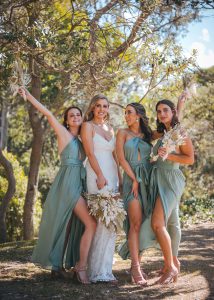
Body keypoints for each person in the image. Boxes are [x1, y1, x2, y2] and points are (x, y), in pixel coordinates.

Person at [18, 87, 96, 284]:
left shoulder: (82, 139)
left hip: (78, 180)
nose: (76, 117)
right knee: (88, 223)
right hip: (68, 184)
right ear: (67, 120)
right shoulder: (63, 133)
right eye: (72, 115)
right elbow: (47, 113)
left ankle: (57, 268)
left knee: (68, 225)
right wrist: (28, 95)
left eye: (78, 114)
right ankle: (80, 267)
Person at [150, 99, 194, 284]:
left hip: (171, 179)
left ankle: (171, 266)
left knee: (158, 223)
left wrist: (169, 155)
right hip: (157, 178)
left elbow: (190, 159)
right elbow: (145, 135)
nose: (162, 114)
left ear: (172, 111)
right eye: (159, 111)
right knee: (172, 223)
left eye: (165, 110)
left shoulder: (180, 132)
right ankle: (174, 261)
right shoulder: (162, 132)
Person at [81, 94, 121, 283]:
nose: (102, 109)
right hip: (97, 175)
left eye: (105, 106)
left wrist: (119, 178)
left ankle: (107, 270)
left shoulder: (110, 128)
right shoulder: (87, 126)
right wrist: (100, 175)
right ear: (92, 107)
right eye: (98, 105)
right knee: (100, 221)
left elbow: (115, 157)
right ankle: (95, 271)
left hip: (112, 176)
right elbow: (89, 152)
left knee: (111, 223)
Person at [116, 103, 153, 286]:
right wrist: (135, 179)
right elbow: (121, 159)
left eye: (129, 112)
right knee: (135, 223)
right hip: (132, 181)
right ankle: (136, 267)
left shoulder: (148, 135)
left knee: (146, 221)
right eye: (125, 113)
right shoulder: (122, 133)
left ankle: (136, 262)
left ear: (138, 115)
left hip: (147, 181)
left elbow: (173, 132)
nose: (126, 116)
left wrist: (180, 105)